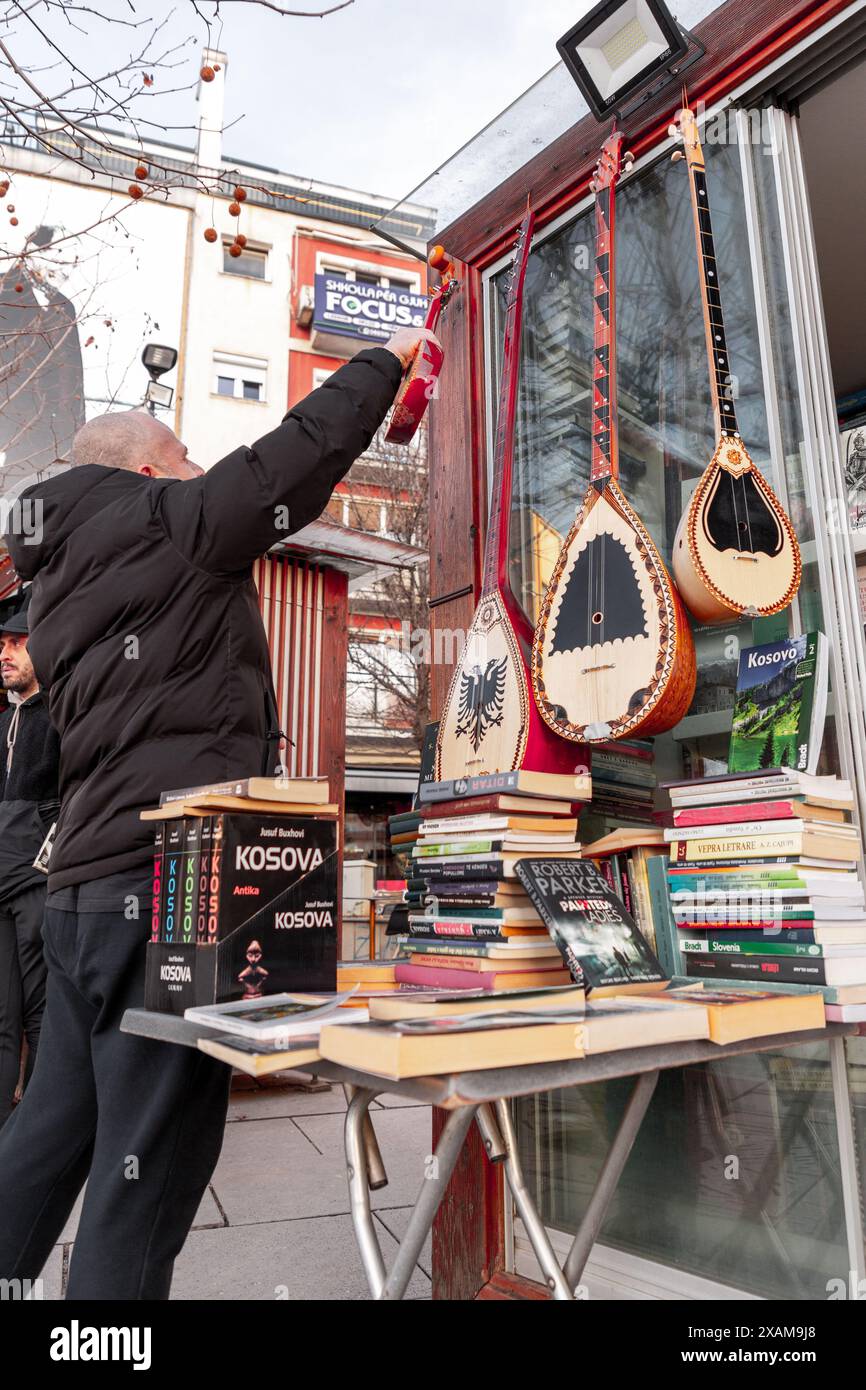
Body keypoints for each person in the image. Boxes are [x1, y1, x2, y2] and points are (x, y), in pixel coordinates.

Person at [0, 325, 434, 1300]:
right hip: (168, 891)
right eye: (188, 456)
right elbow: (292, 452)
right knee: (144, 1170)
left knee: (48, 1135)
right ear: (150, 464)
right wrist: (387, 362)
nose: (199, 469)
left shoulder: (58, 580)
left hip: (79, 899)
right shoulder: (168, 520)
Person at [0, 592, 60, 1124]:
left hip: (38, 879)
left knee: (41, 1010)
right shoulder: (2, 724)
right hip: (0, 878)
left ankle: (37, 1129)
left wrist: (46, 851)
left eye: (17, 643)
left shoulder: (60, 714)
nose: (6, 653)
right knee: (2, 1015)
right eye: (3, 643)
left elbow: (71, 795)